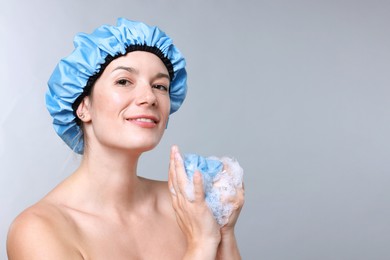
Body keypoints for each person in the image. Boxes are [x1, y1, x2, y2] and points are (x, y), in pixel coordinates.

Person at [7, 18, 245, 259]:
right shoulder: (39, 230)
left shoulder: (186, 205)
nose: (149, 97)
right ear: (83, 107)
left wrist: (224, 230)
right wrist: (201, 244)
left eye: (160, 86)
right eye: (124, 81)